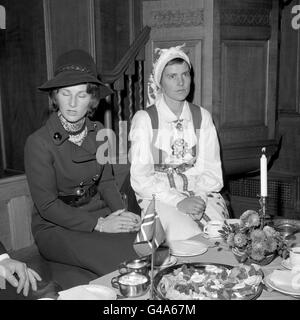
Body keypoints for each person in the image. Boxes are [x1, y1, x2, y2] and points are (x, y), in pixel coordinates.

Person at [24, 49, 141, 278]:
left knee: (146, 246)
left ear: (92, 99)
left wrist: (120, 213)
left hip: (99, 213)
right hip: (56, 227)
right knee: (122, 262)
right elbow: (47, 206)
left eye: (81, 95)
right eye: (65, 94)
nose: (72, 103)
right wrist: (99, 224)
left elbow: (107, 182)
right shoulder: (38, 142)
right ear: (55, 97)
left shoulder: (101, 133)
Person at [129, 44, 229, 241]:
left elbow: (211, 169)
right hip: (158, 194)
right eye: (172, 76)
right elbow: (141, 179)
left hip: (200, 190)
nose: (181, 82)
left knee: (219, 232)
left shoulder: (202, 117)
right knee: (183, 235)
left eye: (185, 74)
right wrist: (179, 201)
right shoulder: (145, 119)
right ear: (160, 82)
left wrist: (198, 199)